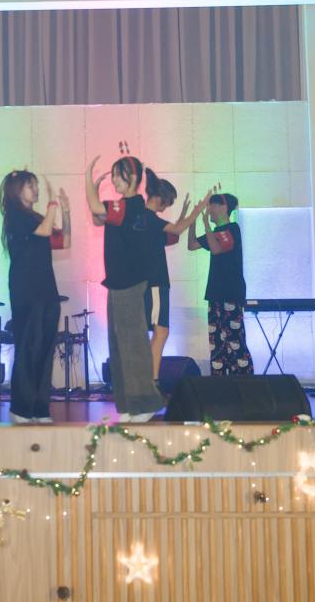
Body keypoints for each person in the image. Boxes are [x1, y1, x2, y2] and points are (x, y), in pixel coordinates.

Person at [86, 151, 165, 422]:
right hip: (119, 283)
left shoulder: (130, 206)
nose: (114, 181)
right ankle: (130, 404)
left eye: (118, 176)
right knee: (119, 346)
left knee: (133, 344)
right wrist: (96, 192)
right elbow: (98, 217)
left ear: (131, 178)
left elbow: (97, 208)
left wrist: (88, 178)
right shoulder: (124, 207)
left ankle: (145, 403)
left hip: (129, 284)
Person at [0, 170, 71, 424]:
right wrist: (52, 202)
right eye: (31, 186)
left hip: (47, 291)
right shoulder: (16, 217)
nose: (36, 190)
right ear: (17, 190)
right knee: (29, 347)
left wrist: (66, 211)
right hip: (26, 291)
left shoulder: (37, 218)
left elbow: (64, 242)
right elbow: (43, 230)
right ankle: (21, 408)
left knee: (45, 349)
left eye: (36, 185)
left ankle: (40, 408)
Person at [141, 171, 210, 380]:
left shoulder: (147, 220)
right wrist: (198, 209)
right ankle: (151, 380)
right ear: (160, 198)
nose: (166, 207)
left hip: (152, 282)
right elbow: (177, 230)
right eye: (168, 202)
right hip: (155, 282)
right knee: (160, 331)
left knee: (159, 332)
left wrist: (184, 216)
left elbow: (172, 236)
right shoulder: (148, 218)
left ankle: (150, 380)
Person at [188, 192, 251, 376]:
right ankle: (220, 382)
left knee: (235, 342)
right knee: (217, 344)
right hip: (215, 293)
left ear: (223, 208)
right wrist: (192, 221)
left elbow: (216, 249)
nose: (209, 210)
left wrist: (207, 225)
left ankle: (246, 382)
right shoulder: (214, 233)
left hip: (231, 293)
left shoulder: (232, 228)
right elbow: (192, 245)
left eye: (212, 206)